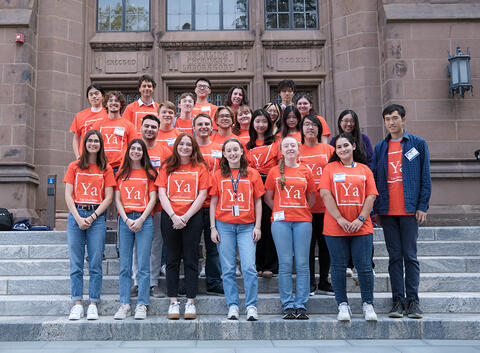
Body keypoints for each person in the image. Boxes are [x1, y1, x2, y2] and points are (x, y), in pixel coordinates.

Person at [372, 104, 431, 319]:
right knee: (394, 257)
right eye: (387, 119)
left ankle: (413, 301)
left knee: (410, 256)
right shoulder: (381, 148)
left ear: (403, 119)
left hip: (408, 210)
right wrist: (376, 209)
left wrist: (422, 206)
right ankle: (398, 300)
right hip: (388, 211)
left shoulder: (418, 144)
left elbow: (425, 177)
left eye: (395, 118)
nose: (391, 122)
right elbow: (375, 178)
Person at [319, 133, 378, 322]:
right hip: (336, 226)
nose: (342, 149)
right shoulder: (330, 169)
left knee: (364, 266)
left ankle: (368, 304)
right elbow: (326, 195)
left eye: (346, 145)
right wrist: (339, 219)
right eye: (338, 147)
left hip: (361, 226)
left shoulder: (364, 170)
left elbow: (371, 196)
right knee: (337, 267)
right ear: (335, 151)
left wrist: (360, 219)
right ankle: (342, 304)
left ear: (353, 146)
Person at [156, 133, 210, 320]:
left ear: (193, 147)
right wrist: (173, 216)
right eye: (182, 144)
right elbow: (161, 193)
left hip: (192, 218)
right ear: (176, 146)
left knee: (191, 258)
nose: (185, 147)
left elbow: (202, 194)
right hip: (170, 217)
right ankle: (173, 302)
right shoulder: (167, 167)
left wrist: (185, 217)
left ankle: (190, 301)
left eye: (188, 144)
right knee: (171, 259)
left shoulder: (201, 167)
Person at [210, 138, 264, 321]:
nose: (232, 153)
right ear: (224, 154)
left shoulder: (252, 174)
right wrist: (212, 228)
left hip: (247, 226)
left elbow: (258, 201)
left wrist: (258, 226)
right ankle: (232, 304)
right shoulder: (218, 175)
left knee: (249, 267)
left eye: (235, 150)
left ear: (242, 151)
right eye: (229, 151)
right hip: (224, 226)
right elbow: (213, 202)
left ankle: (251, 306)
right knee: (228, 268)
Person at [64, 129, 115, 320]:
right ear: (84, 143)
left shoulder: (106, 168)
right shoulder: (74, 166)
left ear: (101, 144)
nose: (93, 144)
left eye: (96, 141)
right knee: (76, 263)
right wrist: (78, 217)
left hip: (97, 218)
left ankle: (93, 302)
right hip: (76, 216)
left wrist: (92, 217)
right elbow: (68, 195)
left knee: (95, 263)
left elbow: (109, 197)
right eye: (90, 140)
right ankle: (77, 303)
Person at [264, 136, 316, 320]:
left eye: (293, 145)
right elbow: (268, 198)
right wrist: (281, 210)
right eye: (286, 146)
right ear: (281, 150)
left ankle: (301, 304)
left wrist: (298, 209)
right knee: (285, 264)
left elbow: (311, 198)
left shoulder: (305, 170)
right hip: (280, 223)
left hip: (303, 221)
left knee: (302, 264)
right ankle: (287, 304)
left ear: (298, 149)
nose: (290, 148)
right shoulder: (273, 172)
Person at [114, 139, 157, 320]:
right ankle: (124, 304)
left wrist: (141, 219)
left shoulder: (149, 173)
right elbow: (117, 199)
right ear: (128, 151)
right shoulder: (121, 173)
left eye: (139, 149)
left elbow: (153, 198)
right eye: (133, 148)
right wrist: (125, 219)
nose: (136, 151)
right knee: (125, 266)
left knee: (143, 264)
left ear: (143, 152)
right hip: (125, 221)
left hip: (144, 221)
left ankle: (142, 303)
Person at [331, 109, 376, 277]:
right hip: (342, 189)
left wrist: (363, 177)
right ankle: (348, 264)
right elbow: (333, 161)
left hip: (361, 187)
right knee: (346, 227)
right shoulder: (335, 141)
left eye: (351, 120)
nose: (348, 124)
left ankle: (367, 263)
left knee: (364, 226)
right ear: (339, 122)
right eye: (344, 120)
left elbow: (371, 161)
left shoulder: (363, 140)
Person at [131, 115, 171, 298]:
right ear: (140, 127)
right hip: (136, 205)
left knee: (156, 244)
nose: (150, 129)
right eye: (146, 126)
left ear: (158, 129)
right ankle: (137, 281)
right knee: (137, 246)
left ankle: (153, 283)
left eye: (153, 127)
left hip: (157, 206)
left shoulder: (164, 151)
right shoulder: (134, 149)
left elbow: (171, 175)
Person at [298, 115, 335, 296]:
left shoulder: (328, 149)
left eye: (314, 125)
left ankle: (324, 281)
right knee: (308, 247)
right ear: (301, 129)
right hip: (304, 208)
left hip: (326, 207)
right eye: (306, 125)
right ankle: (310, 281)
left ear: (320, 129)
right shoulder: (296, 150)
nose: (310, 128)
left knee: (326, 245)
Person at [245, 109, 279, 278]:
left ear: (269, 124)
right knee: (253, 225)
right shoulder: (247, 145)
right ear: (252, 124)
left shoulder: (276, 143)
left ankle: (270, 265)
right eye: (257, 121)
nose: (260, 125)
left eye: (264, 121)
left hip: (270, 185)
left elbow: (281, 165)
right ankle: (257, 263)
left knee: (268, 224)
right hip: (251, 186)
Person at [193, 114, 224, 295]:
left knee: (213, 247)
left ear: (212, 127)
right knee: (192, 247)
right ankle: (192, 281)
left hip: (214, 204)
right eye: (200, 124)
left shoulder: (218, 149)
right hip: (193, 206)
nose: (204, 127)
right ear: (194, 128)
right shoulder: (189, 148)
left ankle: (213, 281)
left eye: (207, 124)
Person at [92, 91, 137, 173]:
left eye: (116, 101)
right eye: (110, 101)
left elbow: (133, 148)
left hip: (121, 168)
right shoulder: (97, 125)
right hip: (101, 167)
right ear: (106, 104)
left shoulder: (129, 125)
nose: (113, 103)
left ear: (121, 104)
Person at [70, 84, 107, 159]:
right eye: (91, 94)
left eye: (96, 93)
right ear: (88, 98)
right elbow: (75, 138)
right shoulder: (80, 115)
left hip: (104, 157)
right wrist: (78, 156)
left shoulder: (108, 113)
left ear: (103, 96)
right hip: (85, 157)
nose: (94, 96)